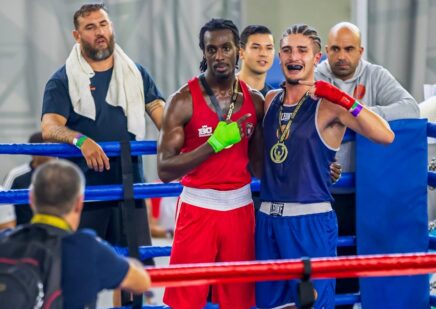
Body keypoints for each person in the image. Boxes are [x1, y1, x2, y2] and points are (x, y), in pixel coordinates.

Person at [256, 24, 395, 308]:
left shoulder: (329, 105)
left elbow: (385, 135)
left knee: (314, 305)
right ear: (280, 58)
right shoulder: (270, 100)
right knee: (271, 306)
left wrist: (347, 100)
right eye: (287, 50)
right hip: (268, 219)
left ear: (316, 58)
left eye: (302, 51)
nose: (294, 56)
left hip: (309, 222)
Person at [157, 18, 263, 309]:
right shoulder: (182, 101)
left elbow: (263, 166)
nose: (219, 56)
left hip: (240, 210)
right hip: (198, 209)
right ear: (203, 52)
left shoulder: (255, 102)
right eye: (211, 49)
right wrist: (213, 146)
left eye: (225, 48)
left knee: (239, 301)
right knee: (184, 301)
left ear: (238, 51)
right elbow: (164, 170)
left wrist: (316, 164)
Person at [40, 3, 164, 250]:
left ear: (111, 27)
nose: (99, 32)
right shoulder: (62, 79)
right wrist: (81, 140)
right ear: (77, 35)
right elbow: (49, 127)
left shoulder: (136, 74)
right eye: (90, 27)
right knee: (81, 272)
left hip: (130, 185)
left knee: (130, 272)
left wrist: (197, 134)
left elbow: (164, 119)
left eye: (103, 24)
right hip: (83, 192)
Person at [315, 22, 419, 302]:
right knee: (317, 272)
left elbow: (410, 107)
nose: (341, 56)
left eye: (349, 49)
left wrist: (360, 115)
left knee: (350, 273)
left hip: (362, 195)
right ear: (326, 50)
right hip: (319, 194)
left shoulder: (375, 75)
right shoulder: (315, 76)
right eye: (335, 49)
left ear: (360, 51)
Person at [25, 159, 150, 308]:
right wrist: (124, 260)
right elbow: (142, 282)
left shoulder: (4, 241)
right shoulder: (87, 248)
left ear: (31, 199)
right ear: (79, 203)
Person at [2, 132, 54, 225]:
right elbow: (4, 204)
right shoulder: (16, 175)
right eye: (47, 146)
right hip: (23, 232)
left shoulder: (63, 173)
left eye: (54, 145)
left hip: (56, 230)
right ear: (34, 152)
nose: (53, 150)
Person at [237, 25, 275, 96]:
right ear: (241, 53)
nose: (263, 54)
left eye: (269, 48)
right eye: (256, 47)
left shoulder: (274, 100)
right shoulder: (222, 90)